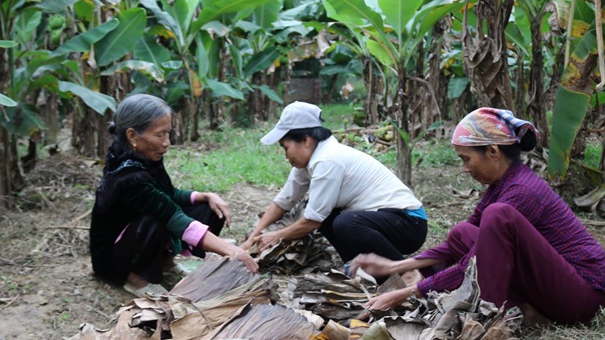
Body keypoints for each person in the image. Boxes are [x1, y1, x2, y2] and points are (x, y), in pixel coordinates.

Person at [350, 107, 605, 324]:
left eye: (466, 159)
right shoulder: (502, 184)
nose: (465, 168)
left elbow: (473, 261)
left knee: (498, 216)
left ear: (493, 152)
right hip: (559, 285)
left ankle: (486, 318)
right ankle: (528, 309)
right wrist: (396, 266)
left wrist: (405, 293)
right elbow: (466, 240)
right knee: (461, 232)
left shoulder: (521, 191)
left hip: (582, 296)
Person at [90, 94, 258, 295]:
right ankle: (135, 277)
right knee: (158, 219)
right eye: (160, 134)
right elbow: (171, 215)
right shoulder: (128, 176)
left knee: (207, 209)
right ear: (133, 136)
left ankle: (165, 263)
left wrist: (203, 196)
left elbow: (167, 194)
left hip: (135, 233)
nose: (167, 142)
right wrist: (232, 251)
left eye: (168, 133)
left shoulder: (144, 154)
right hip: (113, 257)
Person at [241, 101, 427, 278]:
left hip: (409, 223)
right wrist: (253, 237)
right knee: (329, 216)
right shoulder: (309, 162)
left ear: (306, 140)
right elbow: (284, 201)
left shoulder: (327, 160)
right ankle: (357, 268)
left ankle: (407, 273)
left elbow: (312, 221)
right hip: (384, 221)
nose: (286, 156)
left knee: (343, 222)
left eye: (286, 148)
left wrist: (276, 236)